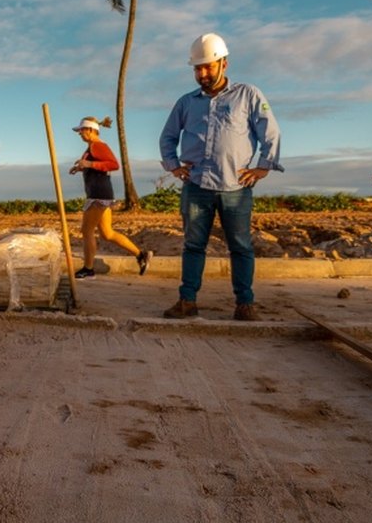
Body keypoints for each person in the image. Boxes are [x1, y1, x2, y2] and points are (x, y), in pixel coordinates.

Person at [158, 33, 283, 321]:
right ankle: (187, 301)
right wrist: (174, 166)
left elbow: (270, 132)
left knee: (240, 246)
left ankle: (245, 304)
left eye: (208, 67)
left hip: (236, 188)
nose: (202, 73)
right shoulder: (186, 103)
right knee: (193, 245)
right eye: (197, 68)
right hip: (197, 186)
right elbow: (167, 137)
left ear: (224, 64)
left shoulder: (248, 95)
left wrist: (264, 166)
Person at [68, 116, 152, 278]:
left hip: (98, 194)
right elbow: (96, 166)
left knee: (86, 231)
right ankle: (141, 255)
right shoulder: (91, 147)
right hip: (101, 193)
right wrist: (80, 168)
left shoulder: (98, 146)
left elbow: (113, 164)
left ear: (91, 130)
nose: (79, 134)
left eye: (81, 130)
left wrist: (89, 164)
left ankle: (88, 269)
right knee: (107, 233)